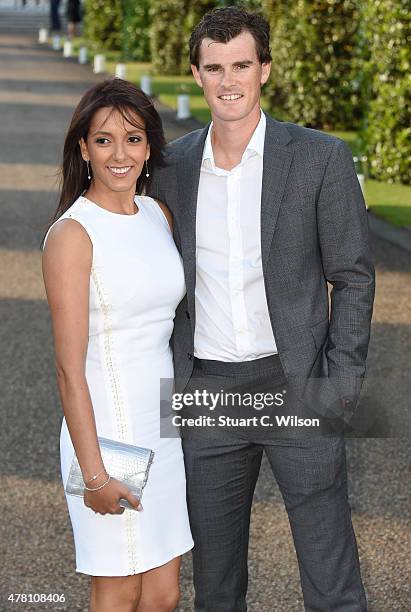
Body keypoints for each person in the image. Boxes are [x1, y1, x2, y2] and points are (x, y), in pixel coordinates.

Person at [148, 6, 375, 612]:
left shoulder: (319, 158)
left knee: (333, 581)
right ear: (195, 73)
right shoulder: (168, 170)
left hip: (296, 382)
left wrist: (343, 381)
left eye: (241, 65)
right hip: (208, 391)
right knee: (216, 586)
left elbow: (352, 276)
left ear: (265, 70)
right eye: (215, 67)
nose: (229, 81)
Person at [42, 79, 193, 612]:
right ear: (83, 149)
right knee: (118, 591)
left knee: (162, 594)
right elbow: (68, 371)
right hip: (106, 433)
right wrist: (95, 474)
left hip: (162, 425)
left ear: (149, 146)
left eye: (132, 138)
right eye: (103, 140)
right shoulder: (72, 235)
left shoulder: (158, 216)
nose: (119, 153)